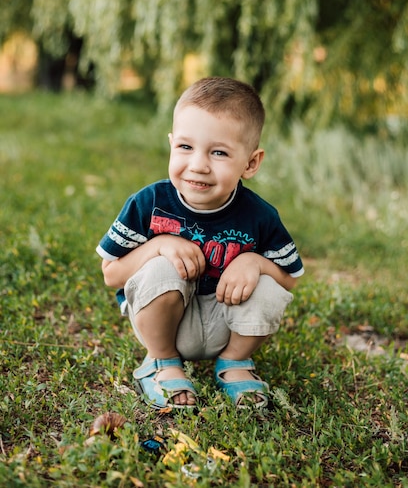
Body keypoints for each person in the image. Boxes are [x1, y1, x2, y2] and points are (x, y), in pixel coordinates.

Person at [96, 77, 304, 409]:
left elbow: (289, 280)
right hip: (169, 327)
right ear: (171, 143)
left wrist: (255, 263)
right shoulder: (149, 203)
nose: (198, 165)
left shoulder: (260, 216)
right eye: (185, 147)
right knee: (162, 267)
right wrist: (159, 245)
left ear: (250, 163)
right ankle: (161, 363)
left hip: (229, 326)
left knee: (267, 281)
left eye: (219, 152)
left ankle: (235, 364)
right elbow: (110, 274)